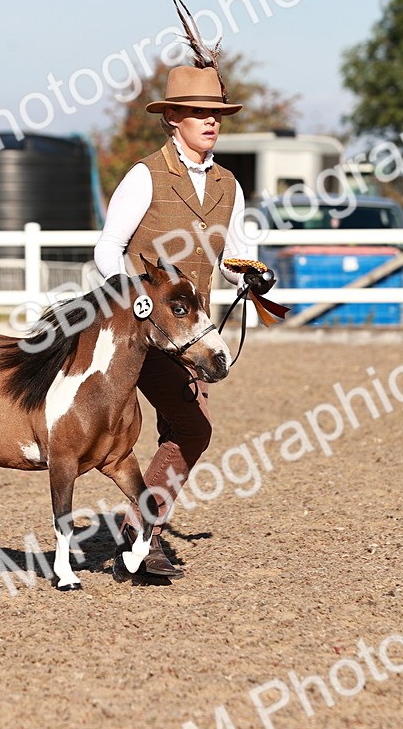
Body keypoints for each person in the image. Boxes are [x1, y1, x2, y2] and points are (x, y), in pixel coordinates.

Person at [94, 64, 273, 580]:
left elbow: (236, 252)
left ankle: (138, 530)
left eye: (216, 114)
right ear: (172, 118)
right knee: (194, 428)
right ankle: (140, 532)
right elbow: (107, 247)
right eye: (199, 113)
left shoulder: (228, 184)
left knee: (182, 429)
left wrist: (254, 274)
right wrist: (135, 296)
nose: (210, 122)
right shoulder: (145, 175)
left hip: (193, 335)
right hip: (141, 333)